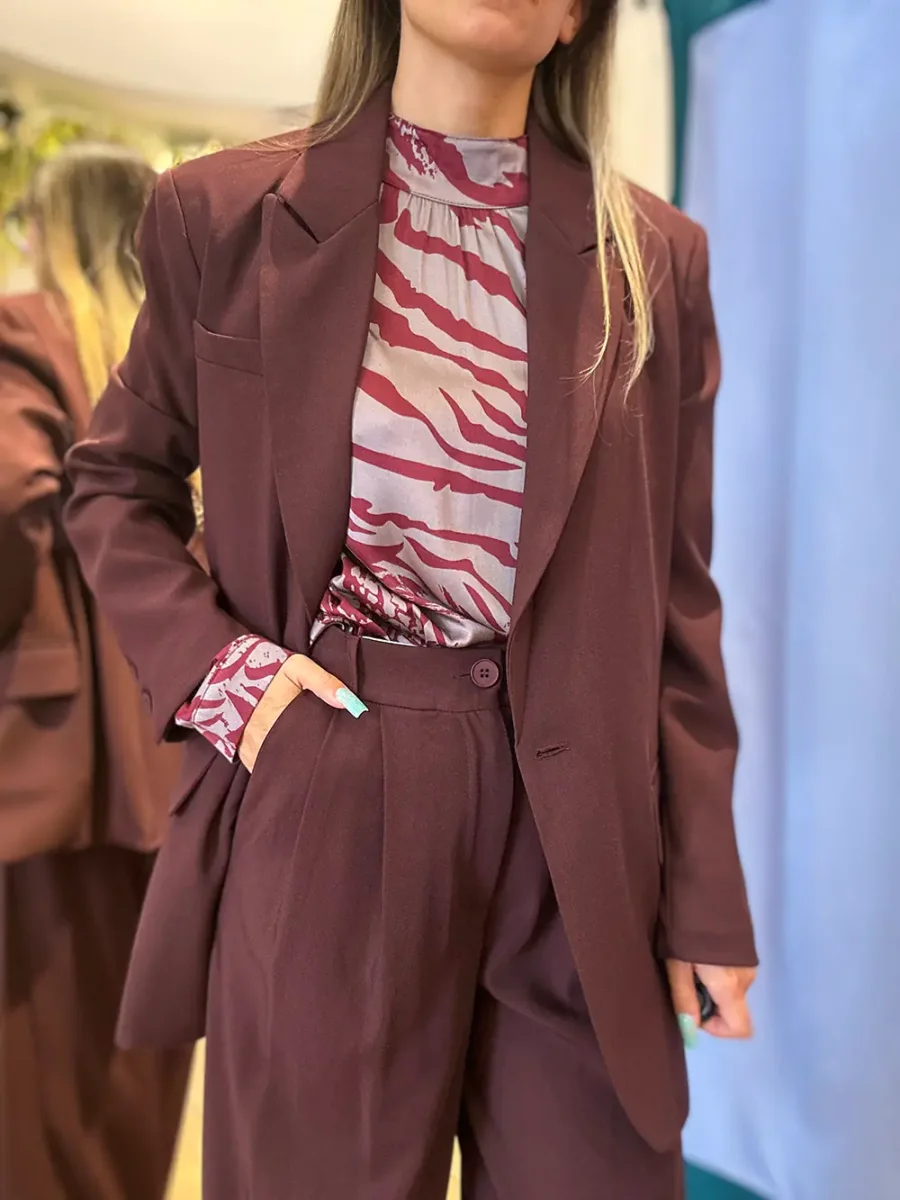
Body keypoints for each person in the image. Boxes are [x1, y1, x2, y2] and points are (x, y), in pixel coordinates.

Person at [65, 2, 758, 1196]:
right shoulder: (224, 215)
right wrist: (235, 687)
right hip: (334, 771)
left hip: (582, 833)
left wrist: (705, 894)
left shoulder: (655, 260)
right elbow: (114, 485)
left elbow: (676, 605)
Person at [0, 145, 192, 1200]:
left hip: (47, 766)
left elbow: (6, 495)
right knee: (133, 1086)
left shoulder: (27, 329)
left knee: (34, 1092)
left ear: (55, 231)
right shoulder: (191, 351)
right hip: (180, 764)